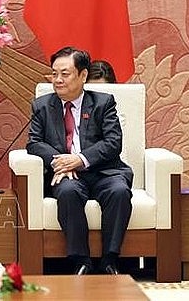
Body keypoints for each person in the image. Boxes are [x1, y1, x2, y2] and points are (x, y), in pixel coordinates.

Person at [27, 46, 132, 275]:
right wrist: (61, 162)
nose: (58, 80)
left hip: (104, 172)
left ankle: (109, 260)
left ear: (83, 75)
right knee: (67, 192)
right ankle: (81, 260)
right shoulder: (42, 106)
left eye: (65, 74)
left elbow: (113, 143)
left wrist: (80, 159)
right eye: (54, 74)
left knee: (119, 191)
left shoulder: (103, 103)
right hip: (67, 174)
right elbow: (33, 143)